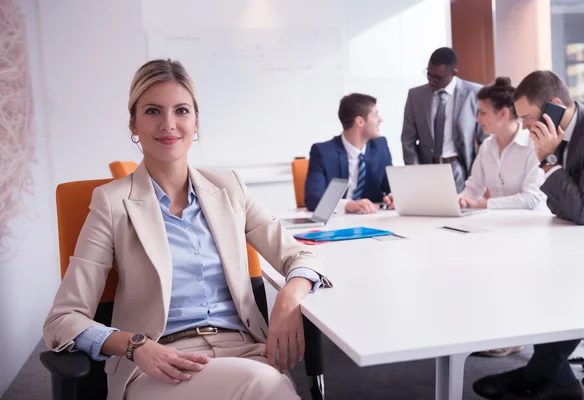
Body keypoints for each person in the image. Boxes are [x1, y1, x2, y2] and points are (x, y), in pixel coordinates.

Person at [43, 59, 331, 400]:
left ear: (196, 123)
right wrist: (135, 345)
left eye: (181, 110)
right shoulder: (112, 203)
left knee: (267, 381)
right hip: (158, 364)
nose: (169, 124)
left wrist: (288, 295)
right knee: (267, 386)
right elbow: (63, 319)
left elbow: (300, 254)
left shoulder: (229, 188)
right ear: (133, 124)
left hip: (244, 350)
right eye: (152, 111)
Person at [473, 70, 584, 400]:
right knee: (542, 273)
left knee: (559, 280)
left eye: (529, 118)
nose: (526, 127)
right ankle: (549, 375)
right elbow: (562, 208)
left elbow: (582, 209)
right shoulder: (561, 133)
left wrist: (548, 158)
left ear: (555, 106)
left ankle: (547, 376)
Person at [401, 47, 486, 192]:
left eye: (437, 78)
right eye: (429, 75)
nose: (432, 81)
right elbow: (408, 139)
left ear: (453, 73)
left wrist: (479, 173)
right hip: (426, 168)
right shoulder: (415, 95)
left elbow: (485, 138)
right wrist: (414, 172)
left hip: (459, 167)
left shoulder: (474, 93)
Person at [458, 77, 544, 212]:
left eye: (483, 113)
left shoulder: (534, 145)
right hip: (498, 224)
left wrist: (481, 204)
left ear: (503, 113)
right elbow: (473, 188)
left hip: (532, 225)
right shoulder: (486, 146)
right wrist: (461, 200)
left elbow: (530, 199)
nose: (477, 119)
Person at [305, 93, 393, 214]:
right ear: (360, 121)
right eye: (376, 114)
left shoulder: (380, 147)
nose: (380, 120)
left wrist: (392, 197)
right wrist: (348, 205)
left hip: (372, 218)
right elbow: (313, 198)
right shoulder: (323, 152)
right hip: (337, 222)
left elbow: (390, 187)